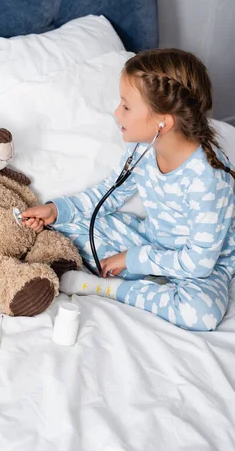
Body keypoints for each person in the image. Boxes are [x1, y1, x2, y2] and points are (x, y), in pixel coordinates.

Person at [21, 49, 235, 331]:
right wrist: (55, 210)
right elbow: (106, 195)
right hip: (153, 241)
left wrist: (131, 259)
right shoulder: (141, 151)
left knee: (200, 313)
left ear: (163, 122)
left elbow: (198, 262)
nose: (116, 113)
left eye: (126, 107)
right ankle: (149, 280)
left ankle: (106, 287)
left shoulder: (209, 179)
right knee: (70, 225)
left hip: (201, 267)